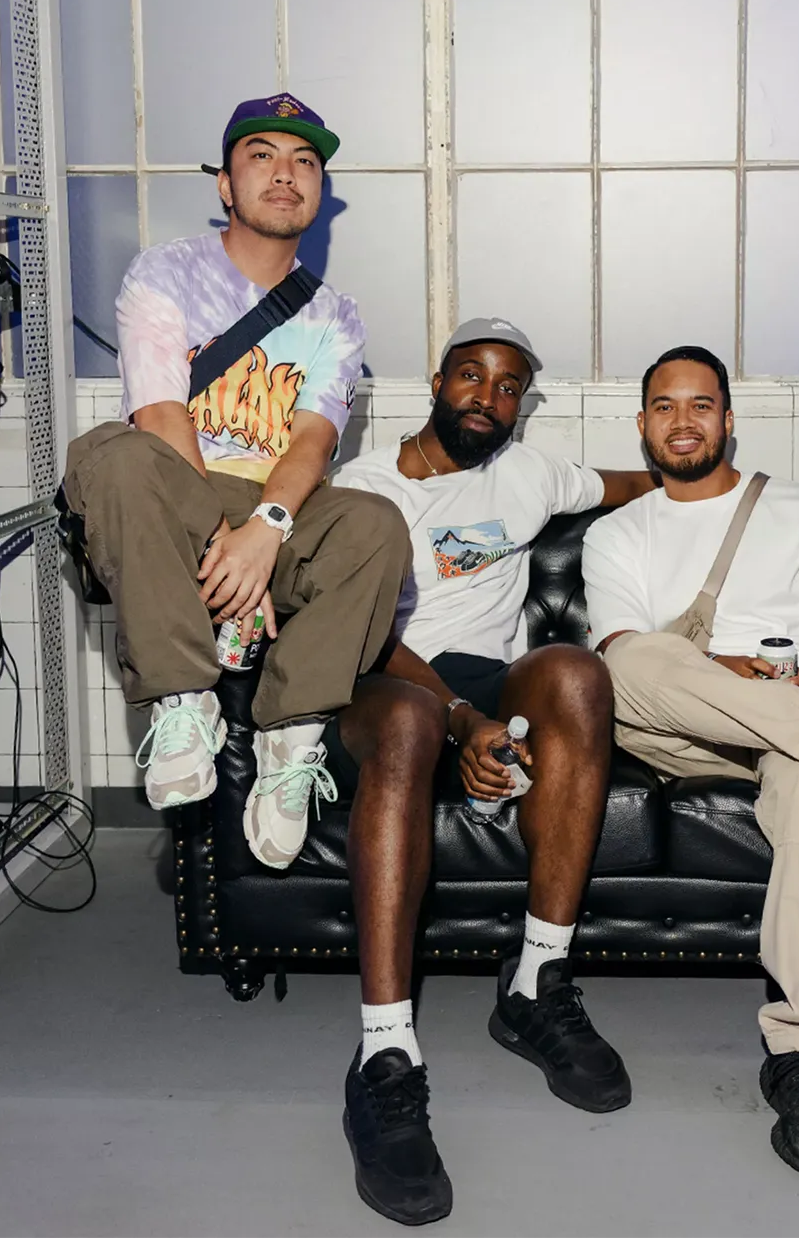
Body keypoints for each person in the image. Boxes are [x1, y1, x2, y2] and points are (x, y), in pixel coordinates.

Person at [328, 317, 657, 1225]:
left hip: (485, 678)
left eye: (510, 385)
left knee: (581, 674)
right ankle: (386, 1055)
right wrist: (462, 721)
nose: (489, 396)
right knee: (404, 724)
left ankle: (535, 984)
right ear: (437, 381)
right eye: (472, 377)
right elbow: (364, 635)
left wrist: (719, 481)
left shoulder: (533, 472)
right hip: (385, 677)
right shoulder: (365, 490)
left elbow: (643, 482)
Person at [581, 345, 799, 1180]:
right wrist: (733, 676)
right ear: (641, 424)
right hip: (682, 725)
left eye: (701, 404)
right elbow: (628, 657)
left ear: (729, 419)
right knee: (628, 665)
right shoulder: (616, 533)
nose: (683, 421)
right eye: (664, 406)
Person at [61, 93, 407, 870]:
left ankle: (291, 743)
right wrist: (227, 549)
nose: (286, 174)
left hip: (269, 512)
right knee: (107, 452)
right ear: (226, 183)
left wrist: (267, 531)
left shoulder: (334, 315)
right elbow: (159, 414)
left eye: (305, 162)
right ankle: (183, 703)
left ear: (319, 191)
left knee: (375, 522)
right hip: (170, 493)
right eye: (263, 156)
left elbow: (313, 440)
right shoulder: (164, 273)